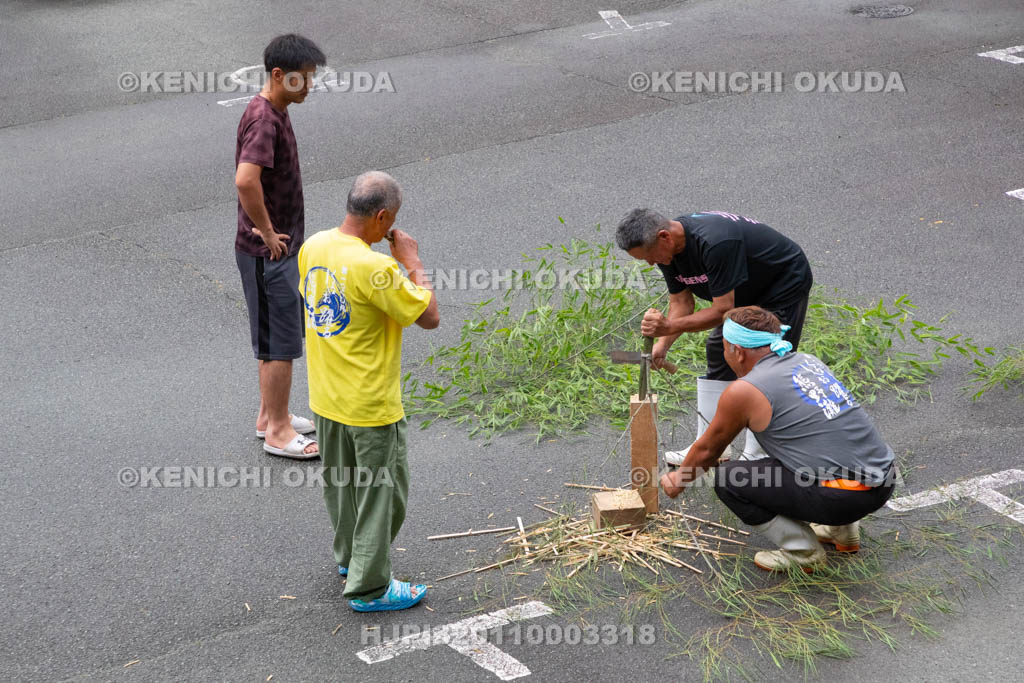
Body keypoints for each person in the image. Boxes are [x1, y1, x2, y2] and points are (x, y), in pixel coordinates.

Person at [659, 306, 895, 572]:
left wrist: (679, 479)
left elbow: (708, 449)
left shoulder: (744, 391)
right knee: (805, 447)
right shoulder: (807, 361)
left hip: (844, 497)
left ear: (737, 351)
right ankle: (842, 532)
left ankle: (804, 553)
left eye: (725, 347)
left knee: (728, 479)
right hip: (883, 480)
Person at [297, 171, 439, 612]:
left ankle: (350, 559)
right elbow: (430, 315)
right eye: (390, 221)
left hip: (326, 398)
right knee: (383, 495)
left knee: (343, 486)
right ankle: (370, 588)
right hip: (370, 404)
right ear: (382, 217)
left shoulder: (314, 246)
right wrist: (412, 261)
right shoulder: (376, 267)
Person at [615, 209, 813, 463]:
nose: (650, 263)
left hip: (781, 284)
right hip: (741, 291)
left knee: (764, 361)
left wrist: (668, 327)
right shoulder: (670, 251)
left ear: (664, 236)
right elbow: (681, 302)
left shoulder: (715, 242)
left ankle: (758, 453)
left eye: (648, 257)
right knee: (720, 349)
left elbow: (722, 310)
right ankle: (710, 446)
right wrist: (662, 345)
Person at [234, 34, 326, 459]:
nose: (309, 86)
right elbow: (245, 179)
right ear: (278, 75)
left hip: (275, 251)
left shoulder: (273, 109)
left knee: (275, 337)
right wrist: (268, 233)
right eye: (303, 79)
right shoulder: (265, 120)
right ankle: (278, 431)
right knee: (281, 342)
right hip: (268, 253)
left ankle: (270, 414)